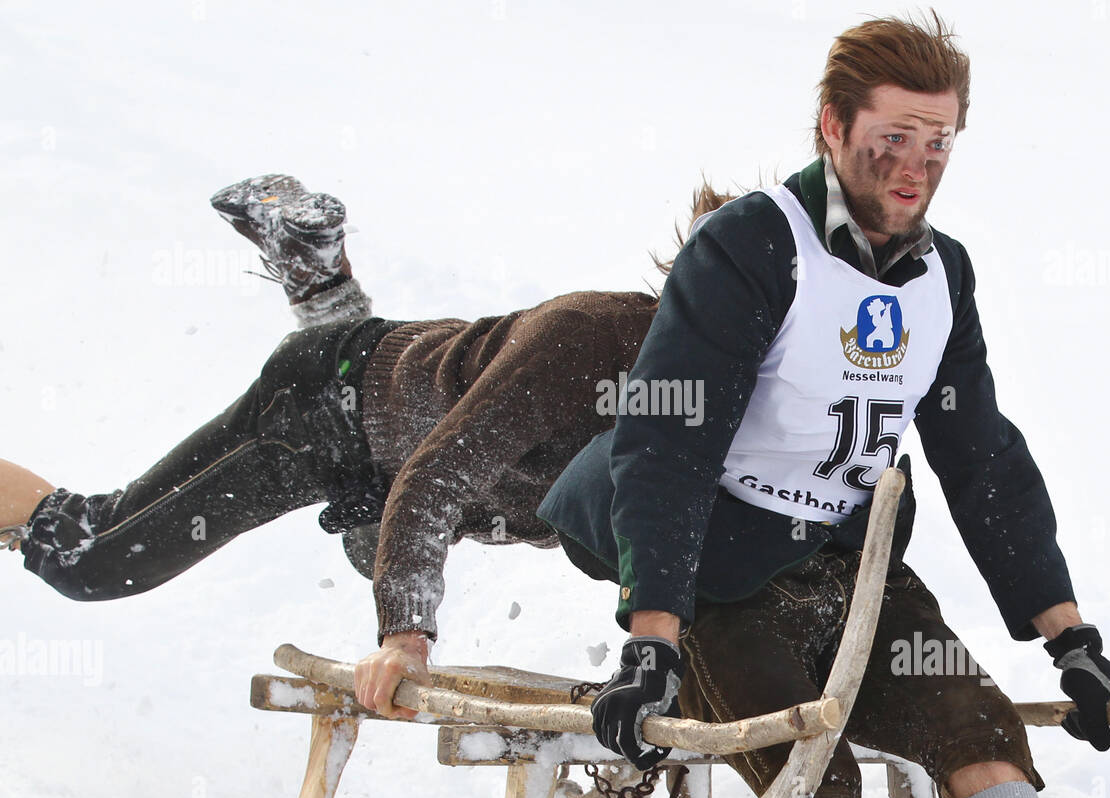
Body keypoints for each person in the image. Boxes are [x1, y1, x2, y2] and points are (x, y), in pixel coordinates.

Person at [537, 13, 1110, 798]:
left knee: (988, 748)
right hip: (718, 575)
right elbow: (667, 445)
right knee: (815, 779)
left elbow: (981, 456)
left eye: (939, 142)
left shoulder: (944, 276)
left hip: (855, 569)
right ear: (834, 124)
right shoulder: (752, 245)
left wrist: (1072, 644)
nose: (917, 165)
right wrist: (652, 644)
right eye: (894, 136)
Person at [0, 174, 656, 720]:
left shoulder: (710, 410)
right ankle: (326, 308)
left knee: (368, 548)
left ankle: (320, 280)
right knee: (92, 559)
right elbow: (436, 479)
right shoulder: (589, 341)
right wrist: (405, 638)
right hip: (321, 414)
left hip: (387, 442)